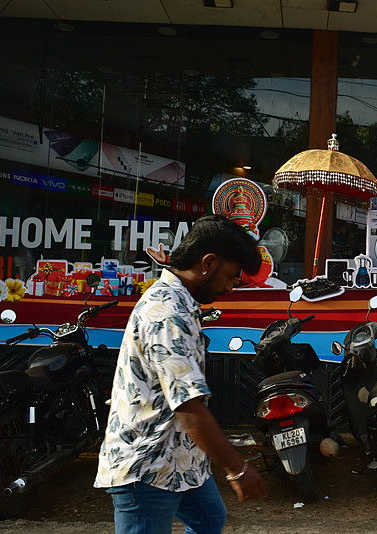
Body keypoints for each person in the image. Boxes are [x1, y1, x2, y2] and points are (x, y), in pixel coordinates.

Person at [95, 214, 267, 534]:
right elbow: (189, 406)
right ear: (208, 263)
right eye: (230, 277)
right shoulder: (166, 315)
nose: (231, 287)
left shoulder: (183, 302)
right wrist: (237, 468)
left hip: (182, 461)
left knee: (208, 519)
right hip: (147, 467)